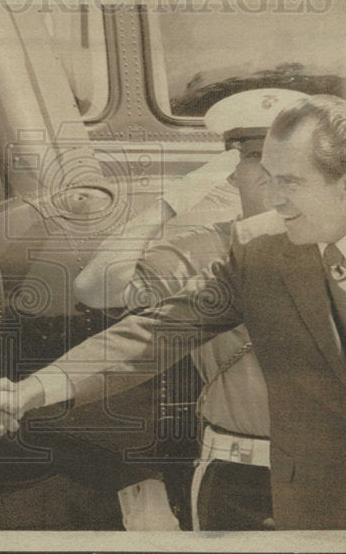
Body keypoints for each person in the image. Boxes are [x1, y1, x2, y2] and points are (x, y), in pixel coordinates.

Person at [0, 94, 346, 530]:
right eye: (266, 176)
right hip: (312, 508)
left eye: (290, 182)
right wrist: (27, 391)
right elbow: (153, 335)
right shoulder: (256, 251)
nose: (272, 198)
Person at [71, 89, 303, 530]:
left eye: (288, 154)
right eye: (255, 155)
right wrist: (170, 202)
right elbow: (96, 288)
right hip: (238, 475)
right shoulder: (204, 248)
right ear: (232, 171)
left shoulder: (345, 238)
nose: (274, 169)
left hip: (334, 467)